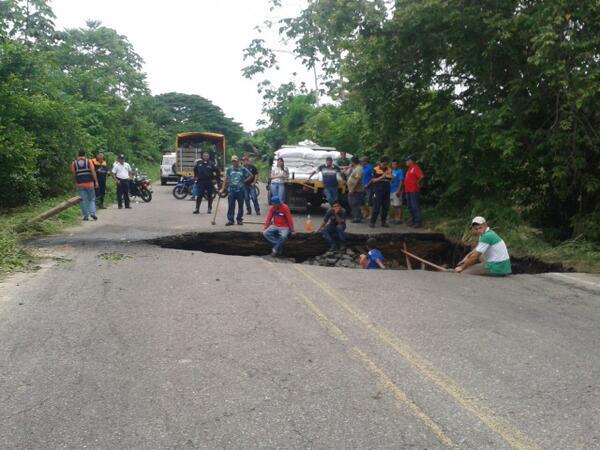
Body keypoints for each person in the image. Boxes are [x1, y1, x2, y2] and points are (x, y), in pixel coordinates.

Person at [220, 155, 252, 226]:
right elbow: (226, 179)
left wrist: (244, 181)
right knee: (231, 205)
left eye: (235, 161)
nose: (234, 162)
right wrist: (222, 188)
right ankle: (230, 220)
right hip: (231, 190)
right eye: (233, 161)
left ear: (238, 161)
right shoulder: (229, 169)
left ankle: (239, 219)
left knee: (240, 206)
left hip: (240, 190)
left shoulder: (243, 169)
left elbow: (251, 175)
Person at [71, 150, 99, 221]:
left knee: (82, 200)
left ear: (78, 155)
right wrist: (96, 181)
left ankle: (85, 216)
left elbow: (74, 174)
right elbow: (93, 172)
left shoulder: (74, 163)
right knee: (92, 199)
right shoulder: (89, 161)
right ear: (85, 155)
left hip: (80, 184)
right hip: (90, 183)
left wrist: (75, 183)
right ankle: (92, 213)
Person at [370, 156, 393, 228]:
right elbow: (373, 180)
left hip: (387, 189)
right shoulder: (375, 169)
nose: (385, 165)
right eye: (384, 164)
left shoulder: (389, 169)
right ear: (380, 163)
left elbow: (391, 179)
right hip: (378, 189)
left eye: (386, 164)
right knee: (376, 206)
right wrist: (382, 177)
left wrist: (392, 177)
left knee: (386, 206)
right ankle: (372, 222)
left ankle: (383, 222)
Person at [405, 154, 424, 228]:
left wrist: (418, 183)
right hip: (408, 190)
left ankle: (418, 222)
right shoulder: (409, 169)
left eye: (408, 160)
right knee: (410, 206)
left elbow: (421, 176)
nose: (406, 161)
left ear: (411, 161)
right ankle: (413, 220)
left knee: (415, 206)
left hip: (414, 190)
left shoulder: (415, 168)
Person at [346, 156, 364, 223]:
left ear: (353, 162)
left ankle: (357, 218)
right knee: (351, 203)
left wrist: (353, 189)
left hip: (356, 190)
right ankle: (356, 216)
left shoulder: (359, 168)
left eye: (351, 162)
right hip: (353, 189)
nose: (350, 163)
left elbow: (358, 179)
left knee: (355, 203)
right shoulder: (355, 168)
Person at [390, 160, 404, 224]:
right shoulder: (391, 171)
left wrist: (399, 190)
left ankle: (399, 219)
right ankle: (395, 218)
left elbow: (401, 181)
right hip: (391, 190)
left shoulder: (400, 171)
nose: (393, 166)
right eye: (392, 164)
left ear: (397, 165)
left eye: (395, 164)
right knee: (393, 205)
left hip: (397, 190)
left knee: (398, 205)